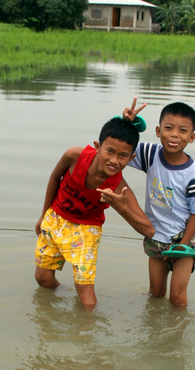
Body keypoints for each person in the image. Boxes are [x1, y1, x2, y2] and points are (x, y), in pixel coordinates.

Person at [34, 116, 154, 309]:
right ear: (98, 146)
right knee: (43, 278)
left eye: (123, 156)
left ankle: (88, 330)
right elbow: (55, 177)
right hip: (55, 218)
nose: (114, 160)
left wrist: (120, 207)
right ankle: (59, 304)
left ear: (131, 158)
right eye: (110, 151)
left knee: (84, 291)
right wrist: (44, 214)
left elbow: (149, 230)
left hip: (86, 230)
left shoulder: (119, 188)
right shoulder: (74, 156)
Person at [118, 97, 195, 308]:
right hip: (156, 235)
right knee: (156, 294)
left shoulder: (194, 175)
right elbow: (122, 148)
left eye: (183, 131)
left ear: (192, 137)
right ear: (158, 131)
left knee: (177, 297)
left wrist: (183, 246)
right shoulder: (151, 154)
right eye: (168, 128)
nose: (175, 134)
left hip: (184, 238)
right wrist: (128, 123)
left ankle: (178, 335)